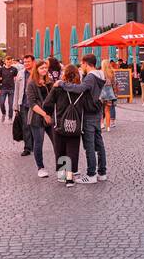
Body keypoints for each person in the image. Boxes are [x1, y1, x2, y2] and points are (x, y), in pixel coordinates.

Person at [42, 64, 88, 186]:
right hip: (76, 125)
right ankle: (69, 178)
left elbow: (47, 104)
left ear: (65, 74)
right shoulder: (81, 90)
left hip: (60, 124)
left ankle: (62, 176)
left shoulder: (57, 88)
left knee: (60, 149)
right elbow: (88, 106)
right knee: (72, 151)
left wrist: (50, 114)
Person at [78, 54, 108, 183]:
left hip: (89, 112)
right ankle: (102, 172)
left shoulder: (90, 77)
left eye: (81, 64)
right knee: (99, 142)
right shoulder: (100, 74)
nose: (81, 67)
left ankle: (91, 175)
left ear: (85, 63)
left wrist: (63, 85)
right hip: (97, 111)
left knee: (89, 144)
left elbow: (80, 89)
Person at [24, 60, 54, 177]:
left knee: (57, 142)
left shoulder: (49, 82)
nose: (44, 70)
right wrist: (44, 114)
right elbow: (32, 103)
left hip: (50, 116)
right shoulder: (31, 83)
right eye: (42, 68)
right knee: (38, 143)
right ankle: (40, 168)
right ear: (36, 69)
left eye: (46, 68)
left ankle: (62, 168)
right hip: (37, 117)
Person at [15, 54, 34, 155]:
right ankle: (27, 148)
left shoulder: (37, 73)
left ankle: (35, 145)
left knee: (34, 125)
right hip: (23, 103)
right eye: (25, 62)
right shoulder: (20, 73)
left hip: (35, 104)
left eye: (28, 62)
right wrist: (15, 106)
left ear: (33, 62)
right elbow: (17, 90)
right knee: (25, 126)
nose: (26, 64)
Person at [101, 59, 117, 133]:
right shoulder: (112, 73)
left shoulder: (100, 73)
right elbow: (114, 83)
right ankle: (108, 127)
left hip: (101, 93)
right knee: (107, 111)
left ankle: (101, 124)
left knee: (100, 110)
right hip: (109, 93)